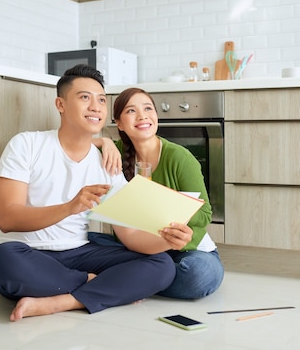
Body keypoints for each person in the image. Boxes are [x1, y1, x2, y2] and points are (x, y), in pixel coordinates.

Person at [0, 65, 176, 321]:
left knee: (161, 265)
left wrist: (168, 240)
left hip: (79, 252)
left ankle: (62, 301)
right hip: (28, 252)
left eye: (100, 100)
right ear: (60, 104)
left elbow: (128, 233)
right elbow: (8, 219)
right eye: (85, 97)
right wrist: (69, 207)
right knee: (1, 261)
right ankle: (95, 286)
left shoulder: (106, 163)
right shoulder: (27, 144)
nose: (95, 106)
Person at [92, 87, 224, 299]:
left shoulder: (179, 157)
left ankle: (128, 279)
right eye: (131, 111)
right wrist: (102, 141)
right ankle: (141, 278)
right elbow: (73, 145)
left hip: (184, 251)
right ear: (119, 123)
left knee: (199, 276)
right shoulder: (113, 152)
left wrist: (169, 205)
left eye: (147, 108)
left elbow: (205, 213)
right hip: (134, 247)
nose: (143, 115)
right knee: (85, 241)